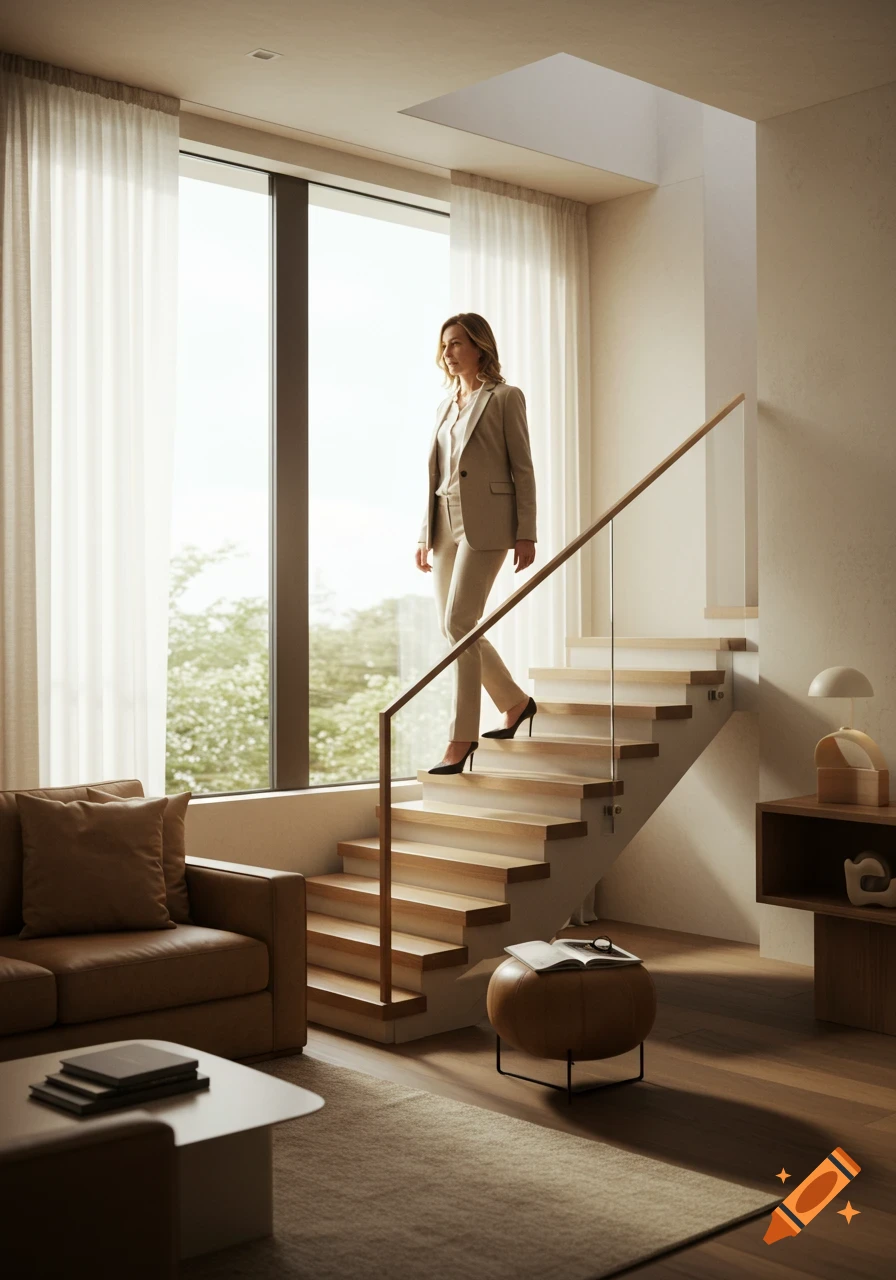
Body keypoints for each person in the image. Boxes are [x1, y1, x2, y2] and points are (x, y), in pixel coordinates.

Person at [415, 313, 539, 774]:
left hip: (486, 522)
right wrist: (424, 532)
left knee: (460, 621)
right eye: (445, 345)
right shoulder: (446, 405)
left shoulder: (505, 398)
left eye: (457, 344)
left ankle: (461, 738)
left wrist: (526, 530)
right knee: (455, 629)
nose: (448, 353)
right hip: (443, 521)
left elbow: (522, 466)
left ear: (480, 346)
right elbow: (436, 473)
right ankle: (515, 702)